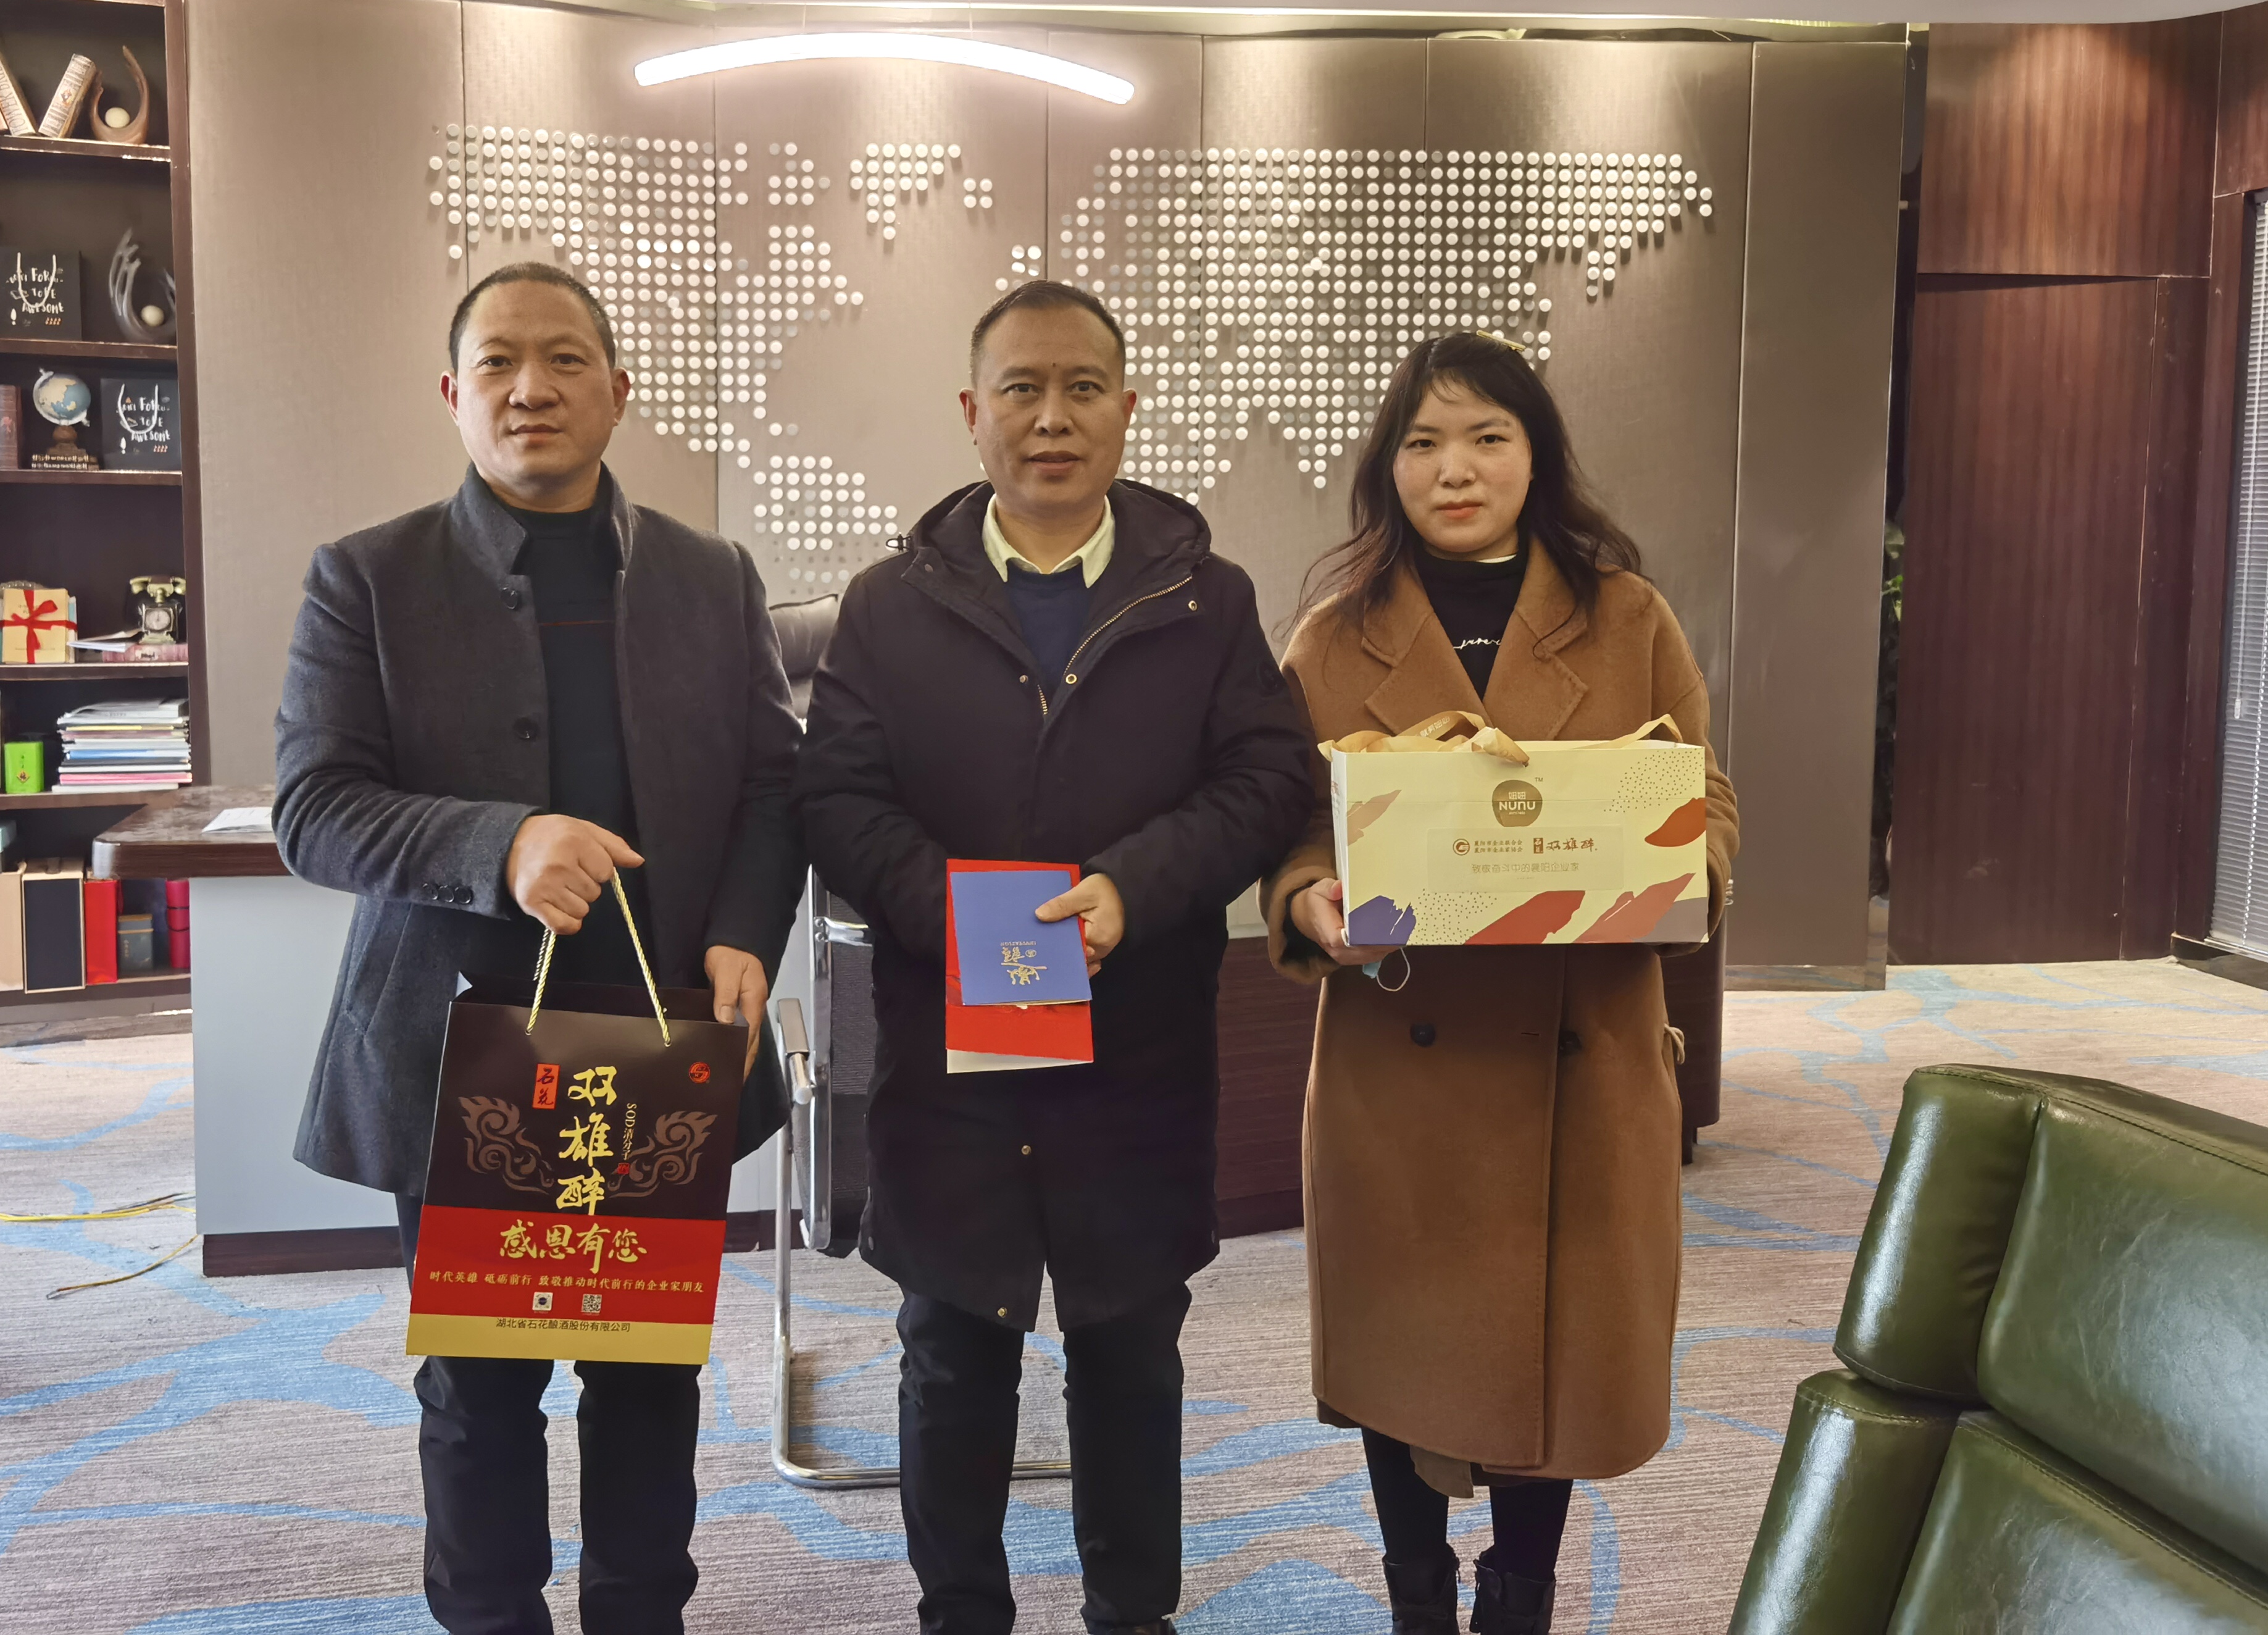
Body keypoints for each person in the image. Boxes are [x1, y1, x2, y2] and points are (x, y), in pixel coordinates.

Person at [273, 261, 803, 1635]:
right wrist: (499, 842)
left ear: (616, 392)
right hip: (468, 1047)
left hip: (657, 1037)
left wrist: (746, 932)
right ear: (454, 394)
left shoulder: (709, 576)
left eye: (564, 360)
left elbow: (772, 783)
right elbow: (313, 811)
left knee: (648, 1376)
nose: (531, 388)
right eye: (499, 362)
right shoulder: (368, 578)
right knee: (479, 1385)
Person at [795, 280, 1315, 1635]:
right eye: (1021, 389)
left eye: (1083, 388)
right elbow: (836, 799)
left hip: (1134, 1051)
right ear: (971, 413)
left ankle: (1132, 1615)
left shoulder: (1205, 599)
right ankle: (959, 1611)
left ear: (1126, 409)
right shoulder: (887, 606)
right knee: (950, 1356)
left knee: (1130, 1356)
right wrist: (955, 914)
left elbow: (1269, 779)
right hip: (949, 1055)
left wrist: (1131, 888)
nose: (1051, 417)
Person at [1261, 331, 1738, 1635]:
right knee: (1395, 1350)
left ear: (1536, 457)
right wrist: (1306, 898)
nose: (1454, 469)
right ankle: (1415, 1596)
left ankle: (1518, 1597)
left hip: (1583, 1054)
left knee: (1563, 1356)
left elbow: (1706, 799)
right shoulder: (1332, 638)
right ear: (1388, 466)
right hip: (1396, 1068)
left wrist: (1669, 866)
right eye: (1422, 443)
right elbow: (1292, 828)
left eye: (1486, 438)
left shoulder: (1626, 617)